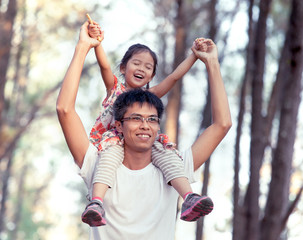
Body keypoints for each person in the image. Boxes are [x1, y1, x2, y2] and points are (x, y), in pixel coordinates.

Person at [56, 21, 231, 239]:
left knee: (168, 156)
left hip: (166, 163)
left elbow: (222, 124)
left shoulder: (174, 167)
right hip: (109, 150)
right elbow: (64, 109)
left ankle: (190, 198)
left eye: (152, 119)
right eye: (136, 118)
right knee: (110, 157)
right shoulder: (97, 163)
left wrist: (210, 61)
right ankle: (96, 202)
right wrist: (84, 46)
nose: (145, 125)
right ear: (119, 124)